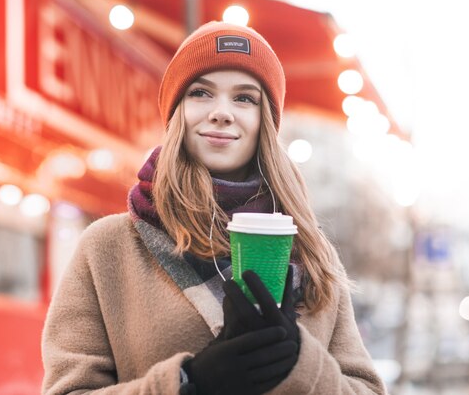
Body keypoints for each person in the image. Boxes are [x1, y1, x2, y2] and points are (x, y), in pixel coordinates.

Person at [41, 21, 386, 395]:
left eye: (244, 98)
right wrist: (192, 383)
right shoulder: (108, 248)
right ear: (177, 113)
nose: (222, 112)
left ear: (264, 122)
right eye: (201, 93)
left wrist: (299, 365)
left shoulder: (310, 251)